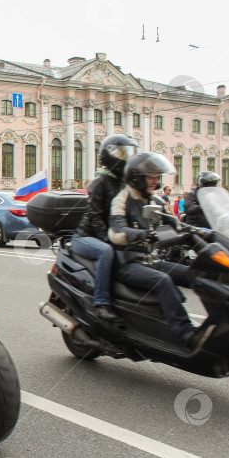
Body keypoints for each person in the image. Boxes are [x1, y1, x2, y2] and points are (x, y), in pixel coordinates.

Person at [108, 152, 213, 350]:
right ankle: (187, 335)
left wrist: (209, 235)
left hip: (152, 260)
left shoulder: (155, 201)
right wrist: (143, 234)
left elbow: (178, 224)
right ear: (137, 176)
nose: (155, 181)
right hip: (128, 263)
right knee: (162, 280)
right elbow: (116, 231)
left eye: (157, 177)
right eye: (151, 176)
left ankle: (215, 324)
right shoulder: (121, 200)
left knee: (196, 275)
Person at [70, 134, 138, 320]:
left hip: (110, 234)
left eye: (129, 153)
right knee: (106, 251)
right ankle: (101, 303)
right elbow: (94, 216)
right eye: (123, 153)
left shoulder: (125, 184)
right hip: (85, 237)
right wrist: (107, 239)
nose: (127, 157)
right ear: (110, 155)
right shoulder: (100, 183)